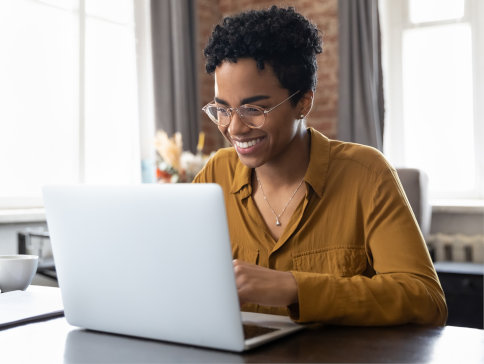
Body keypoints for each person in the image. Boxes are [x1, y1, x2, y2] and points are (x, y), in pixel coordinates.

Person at [194, 6, 447, 325]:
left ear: (304, 102)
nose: (234, 129)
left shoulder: (367, 174)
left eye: (253, 109)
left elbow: (425, 300)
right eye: (222, 110)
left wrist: (294, 288)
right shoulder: (214, 176)